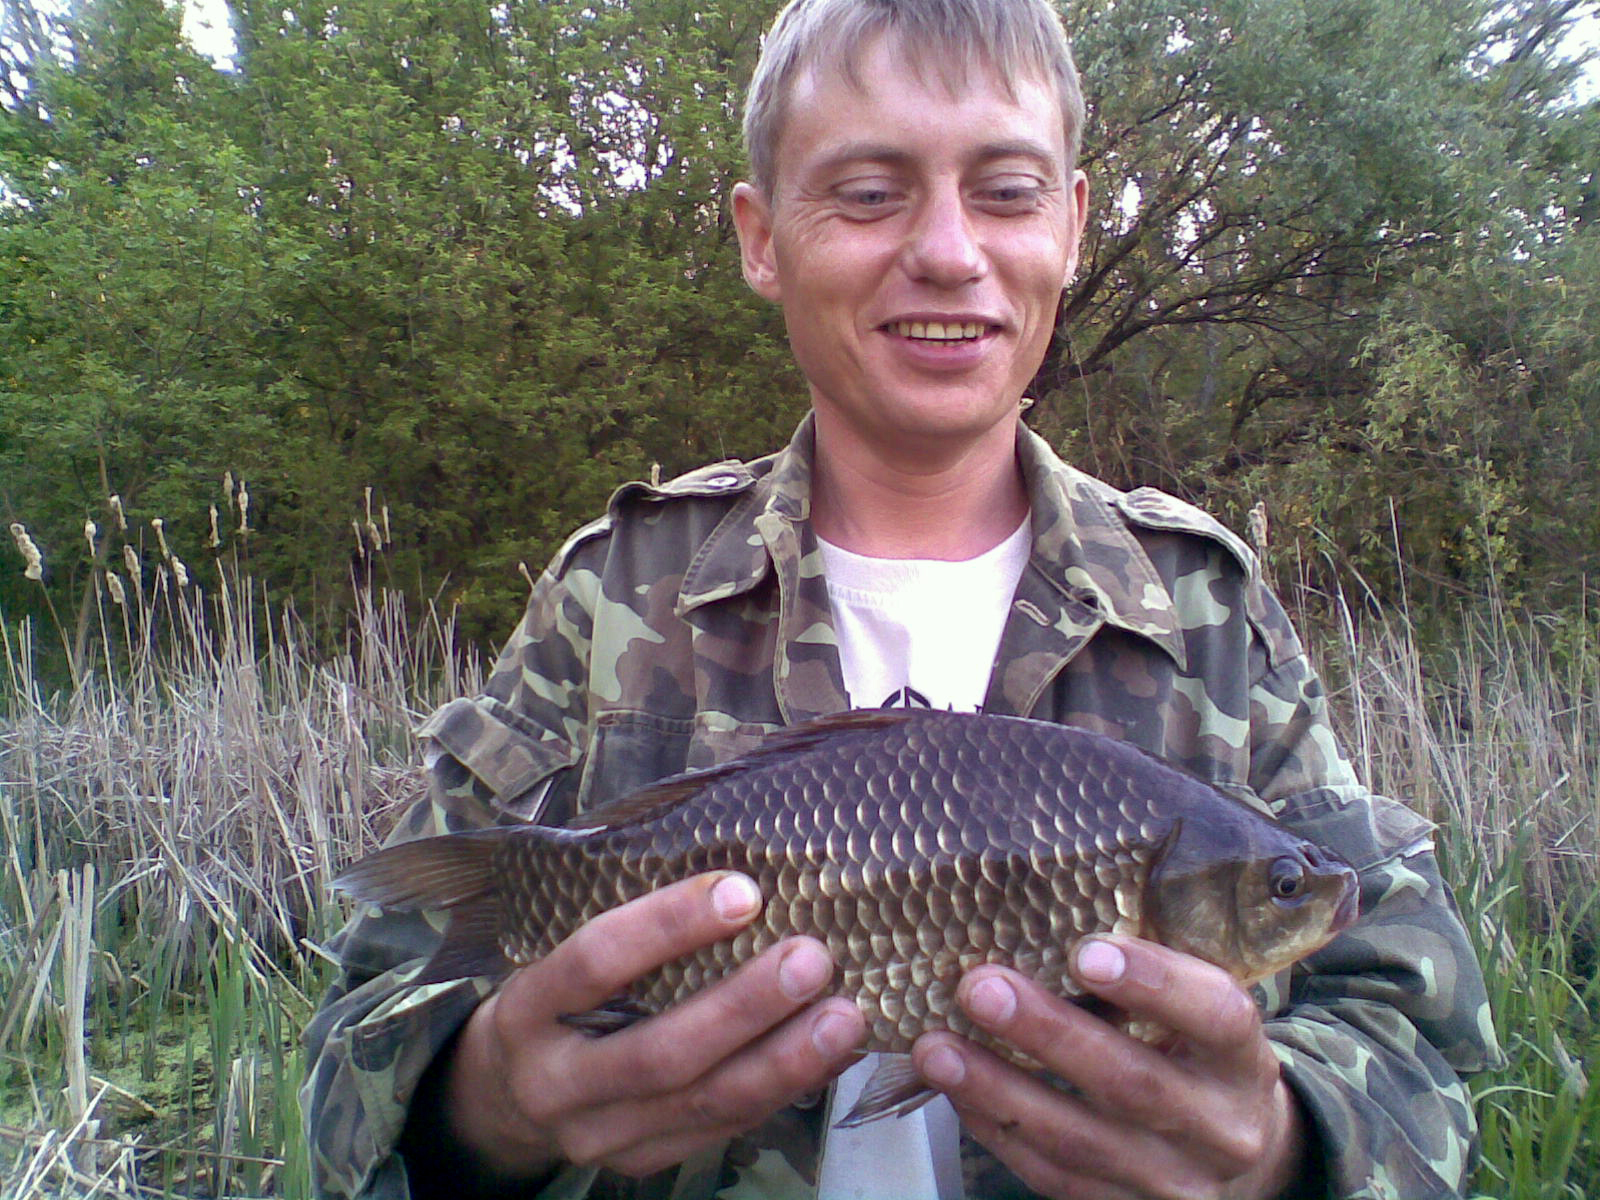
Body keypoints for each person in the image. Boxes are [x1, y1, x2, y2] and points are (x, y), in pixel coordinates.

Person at [302, 1, 1500, 1197]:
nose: (946, 251)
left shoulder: (1204, 610)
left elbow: (1424, 1055)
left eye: (1007, 192)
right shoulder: (614, 592)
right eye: (870, 193)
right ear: (762, 238)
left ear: (1072, 225)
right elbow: (354, 1057)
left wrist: (1277, 1150)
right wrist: (491, 1103)